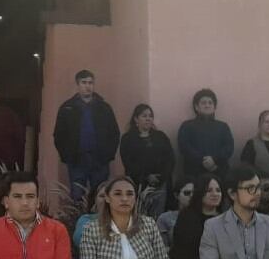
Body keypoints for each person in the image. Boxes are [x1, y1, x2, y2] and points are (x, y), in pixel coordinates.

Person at [53, 70, 121, 202]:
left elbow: (114, 133)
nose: (87, 86)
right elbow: (59, 135)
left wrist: (108, 155)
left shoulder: (104, 108)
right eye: (84, 82)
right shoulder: (67, 108)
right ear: (77, 85)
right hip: (77, 161)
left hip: (99, 161)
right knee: (77, 197)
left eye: (90, 83)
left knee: (100, 197)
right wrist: (67, 156)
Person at [170, 174, 224, 259]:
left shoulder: (226, 218)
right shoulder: (187, 217)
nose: (215, 194)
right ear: (200, 192)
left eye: (218, 190)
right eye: (209, 190)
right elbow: (185, 253)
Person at [119, 103, 176, 217]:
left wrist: (162, 176)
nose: (148, 118)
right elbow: (128, 162)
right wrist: (146, 176)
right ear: (136, 119)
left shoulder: (160, 136)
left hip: (161, 182)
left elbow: (170, 158)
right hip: (139, 182)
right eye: (144, 116)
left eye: (150, 116)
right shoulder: (127, 139)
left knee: (160, 214)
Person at [177, 88, 234, 177]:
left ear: (214, 107)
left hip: (219, 171)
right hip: (194, 173)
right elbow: (184, 147)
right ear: (196, 107)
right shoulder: (187, 126)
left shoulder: (223, 127)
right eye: (203, 103)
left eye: (210, 103)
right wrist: (203, 160)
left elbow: (229, 147)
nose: (207, 105)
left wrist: (214, 160)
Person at [157, 179, 194, 246]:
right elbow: (162, 248)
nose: (191, 196)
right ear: (176, 195)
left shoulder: (202, 217)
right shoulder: (165, 218)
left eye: (194, 193)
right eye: (187, 193)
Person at [74, 182, 109, 248]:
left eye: (109, 196)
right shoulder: (85, 220)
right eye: (102, 196)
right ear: (95, 200)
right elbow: (82, 242)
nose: (105, 200)